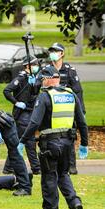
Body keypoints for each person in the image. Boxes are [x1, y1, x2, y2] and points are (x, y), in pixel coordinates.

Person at [18, 66, 88, 209]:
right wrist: (84, 143)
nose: (41, 82)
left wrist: (22, 141)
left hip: (50, 144)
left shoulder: (45, 96)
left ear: (50, 78)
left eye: (42, 79)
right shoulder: (71, 95)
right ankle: (75, 202)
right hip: (68, 144)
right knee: (63, 175)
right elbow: (82, 122)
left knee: (49, 177)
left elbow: (34, 122)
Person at [48, 42, 85, 175]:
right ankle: (54, 166)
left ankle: (71, 166)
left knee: (69, 137)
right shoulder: (46, 69)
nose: (52, 53)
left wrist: (81, 112)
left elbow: (78, 91)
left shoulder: (69, 70)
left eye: (55, 51)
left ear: (62, 53)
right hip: (51, 110)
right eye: (51, 51)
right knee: (51, 138)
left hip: (68, 110)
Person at [3, 55, 41, 175]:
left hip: (30, 112)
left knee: (17, 141)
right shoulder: (21, 78)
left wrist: (35, 83)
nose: (36, 67)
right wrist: (16, 102)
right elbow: (7, 90)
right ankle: (36, 168)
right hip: (22, 114)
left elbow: (34, 93)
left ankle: (8, 167)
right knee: (29, 140)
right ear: (28, 66)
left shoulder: (32, 77)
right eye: (34, 65)